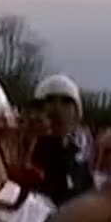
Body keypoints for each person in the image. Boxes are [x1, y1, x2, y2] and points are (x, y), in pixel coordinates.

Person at [28, 74, 94, 206]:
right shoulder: (23, 157)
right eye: (49, 100)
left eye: (66, 102)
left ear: (77, 115)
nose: (56, 108)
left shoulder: (79, 164)